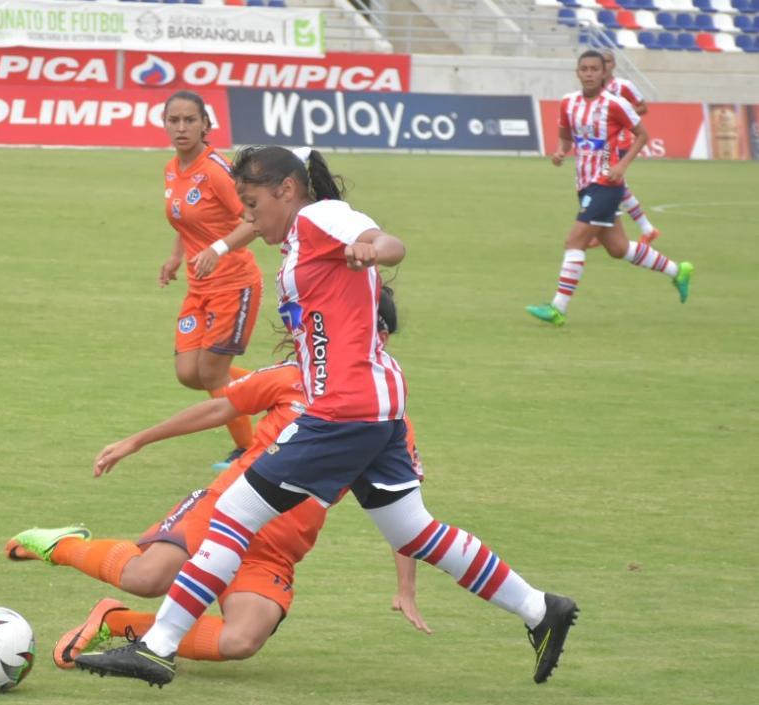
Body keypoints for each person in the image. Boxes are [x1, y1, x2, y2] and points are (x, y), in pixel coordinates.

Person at [76, 146, 578, 687]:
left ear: (285, 191)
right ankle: (539, 609)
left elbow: (391, 243)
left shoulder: (319, 217)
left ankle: (156, 646)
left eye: (252, 204)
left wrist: (374, 249)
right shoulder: (297, 237)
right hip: (373, 407)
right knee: (413, 530)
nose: (249, 217)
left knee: (231, 514)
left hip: (343, 408)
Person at [6, 295, 430, 670]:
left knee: (241, 640)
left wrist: (405, 587)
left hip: (275, 547)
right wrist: (136, 441)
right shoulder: (291, 377)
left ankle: (116, 621)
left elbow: (400, 511)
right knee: (145, 578)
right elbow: (219, 410)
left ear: (383, 337)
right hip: (225, 510)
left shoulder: (387, 422)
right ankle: (62, 545)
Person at [526, 50, 693, 327]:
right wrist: (559, 153)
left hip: (606, 183)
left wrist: (622, 166)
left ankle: (558, 308)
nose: (589, 73)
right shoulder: (568, 103)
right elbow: (565, 138)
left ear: (604, 73)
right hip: (584, 182)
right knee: (617, 248)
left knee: (574, 242)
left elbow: (643, 135)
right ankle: (678, 271)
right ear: (577, 72)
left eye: (594, 69)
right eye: (584, 69)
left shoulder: (615, 104)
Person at [158, 91, 264, 470]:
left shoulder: (218, 170)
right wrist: (175, 256)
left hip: (234, 284)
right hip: (198, 285)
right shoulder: (173, 168)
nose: (182, 127)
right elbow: (187, 219)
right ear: (165, 124)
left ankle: (248, 451)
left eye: (190, 120)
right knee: (190, 374)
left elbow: (254, 219)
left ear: (206, 124)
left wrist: (217, 249)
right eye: (175, 120)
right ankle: (286, 389)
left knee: (213, 374)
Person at [600, 49, 659, 245]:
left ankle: (606, 229)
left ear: (613, 64)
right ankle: (645, 228)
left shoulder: (624, 86)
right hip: (604, 143)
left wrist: (623, 113)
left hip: (621, 141)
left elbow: (643, 107)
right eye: (602, 62)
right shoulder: (595, 88)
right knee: (614, 186)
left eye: (608, 61)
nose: (605, 65)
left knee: (609, 184)